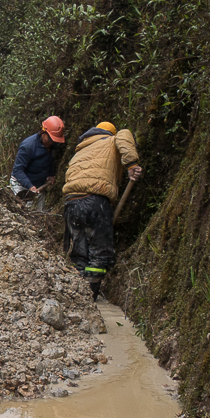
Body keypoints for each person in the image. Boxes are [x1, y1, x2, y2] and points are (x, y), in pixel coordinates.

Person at [61, 121, 141, 298]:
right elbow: (125, 135)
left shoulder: (80, 151)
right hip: (94, 201)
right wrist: (131, 165)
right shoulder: (112, 140)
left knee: (79, 253)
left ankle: (77, 297)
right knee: (99, 253)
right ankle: (91, 296)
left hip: (71, 204)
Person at [11, 116, 66, 211]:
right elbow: (17, 170)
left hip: (39, 186)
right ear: (43, 132)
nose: (52, 142)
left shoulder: (51, 146)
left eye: (54, 140)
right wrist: (30, 186)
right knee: (23, 214)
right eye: (50, 139)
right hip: (22, 185)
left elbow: (49, 160)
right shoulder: (28, 146)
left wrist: (50, 174)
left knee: (38, 216)